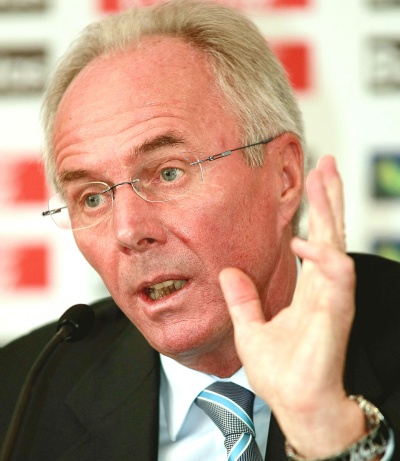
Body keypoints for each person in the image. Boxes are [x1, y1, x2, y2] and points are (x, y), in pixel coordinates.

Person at [1, 1, 399, 460]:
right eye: (92, 198)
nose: (128, 231)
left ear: (284, 177)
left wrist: (330, 435)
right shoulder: (22, 397)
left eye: (169, 173)